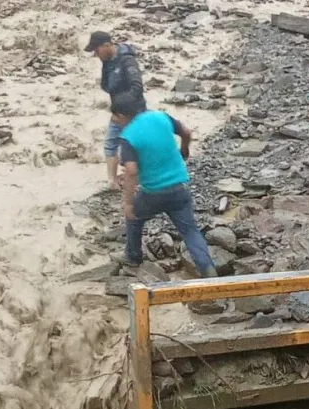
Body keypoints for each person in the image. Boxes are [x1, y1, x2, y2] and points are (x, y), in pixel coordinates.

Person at [109, 92, 218, 279]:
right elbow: (187, 132)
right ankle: (208, 269)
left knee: (134, 218)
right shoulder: (161, 116)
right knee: (190, 231)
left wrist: (127, 203)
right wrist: (184, 148)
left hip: (152, 193)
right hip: (179, 187)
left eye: (115, 115)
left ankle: (133, 256)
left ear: (123, 115)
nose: (113, 119)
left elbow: (132, 171)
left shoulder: (127, 137)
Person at [85, 30, 146, 191]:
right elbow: (107, 85)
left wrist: (124, 106)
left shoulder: (126, 60)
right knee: (111, 144)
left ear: (106, 45)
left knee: (134, 146)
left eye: (97, 50)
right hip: (118, 112)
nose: (96, 55)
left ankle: (138, 181)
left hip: (134, 112)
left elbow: (137, 86)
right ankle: (112, 182)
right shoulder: (107, 61)